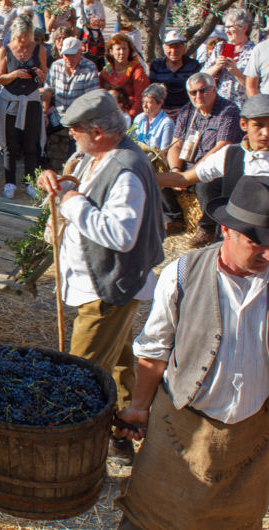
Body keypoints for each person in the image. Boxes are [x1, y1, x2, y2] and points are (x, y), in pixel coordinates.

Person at [116, 175, 269, 530]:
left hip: (251, 443)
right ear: (228, 230)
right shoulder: (182, 274)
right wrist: (139, 407)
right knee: (150, 518)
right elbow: (154, 351)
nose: (267, 252)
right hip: (179, 432)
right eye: (256, 241)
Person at [38, 89, 165, 464]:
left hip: (109, 287)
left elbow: (121, 235)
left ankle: (72, 447)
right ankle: (125, 429)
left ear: (97, 131)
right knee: (123, 357)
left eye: (75, 130)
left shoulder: (126, 169)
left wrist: (71, 202)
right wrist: (60, 182)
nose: (70, 136)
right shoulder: (93, 155)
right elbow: (80, 186)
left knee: (82, 370)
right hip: (99, 282)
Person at [157, 94, 269, 230]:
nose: (266, 133)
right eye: (258, 125)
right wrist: (144, 174)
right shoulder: (230, 154)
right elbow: (184, 178)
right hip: (234, 234)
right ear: (244, 124)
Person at [167, 72, 243, 247]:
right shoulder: (187, 111)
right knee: (158, 167)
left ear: (214, 89)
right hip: (187, 167)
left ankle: (207, 228)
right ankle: (174, 218)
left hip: (212, 167)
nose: (198, 96)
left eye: (203, 91)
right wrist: (175, 171)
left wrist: (191, 175)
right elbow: (175, 145)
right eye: (193, 92)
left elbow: (221, 147)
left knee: (205, 183)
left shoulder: (228, 111)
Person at [0, 15, 46, 199]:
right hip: (10, 100)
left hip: (31, 99)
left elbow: (44, 76)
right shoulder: (5, 50)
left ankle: (30, 182)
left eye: (26, 37)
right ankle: (9, 182)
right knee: (10, 145)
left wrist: (40, 73)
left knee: (31, 143)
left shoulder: (38, 49)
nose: (23, 41)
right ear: (14, 34)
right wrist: (15, 74)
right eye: (19, 37)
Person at [42, 36, 99, 153]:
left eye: (72, 55)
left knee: (77, 147)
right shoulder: (56, 66)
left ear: (80, 53)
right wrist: (44, 113)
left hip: (79, 117)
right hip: (58, 114)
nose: (68, 58)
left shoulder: (89, 67)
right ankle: (42, 164)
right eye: (66, 55)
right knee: (39, 131)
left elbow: (91, 99)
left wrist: (76, 124)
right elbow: (47, 90)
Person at [202, 8, 255, 109]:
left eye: (230, 27)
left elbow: (255, 86)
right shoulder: (221, 47)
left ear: (244, 28)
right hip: (220, 106)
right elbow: (202, 76)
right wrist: (216, 66)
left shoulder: (254, 51)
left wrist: (236, 72)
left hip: (243, 107)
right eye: (225, 27)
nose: (227, 31)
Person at [148, 31, 201, 120]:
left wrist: (183, 110)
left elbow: (197, 91)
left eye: (177, 47)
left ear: (184, 48)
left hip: (187, 112)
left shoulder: (193, 65)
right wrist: (160, 109)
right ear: (164, 48)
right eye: (170, 47)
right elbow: (152, 90)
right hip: (160, 112)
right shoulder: (156, 65)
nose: (173, 51)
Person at [99, 33, 149, 120]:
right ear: (111, 51)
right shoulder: (105, 73)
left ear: (129, 50)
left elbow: (140, 98)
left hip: (131, 116)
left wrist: (129, 118)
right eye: (118, 49)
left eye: (124, 48)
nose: (122, 52)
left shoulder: (137, 71)